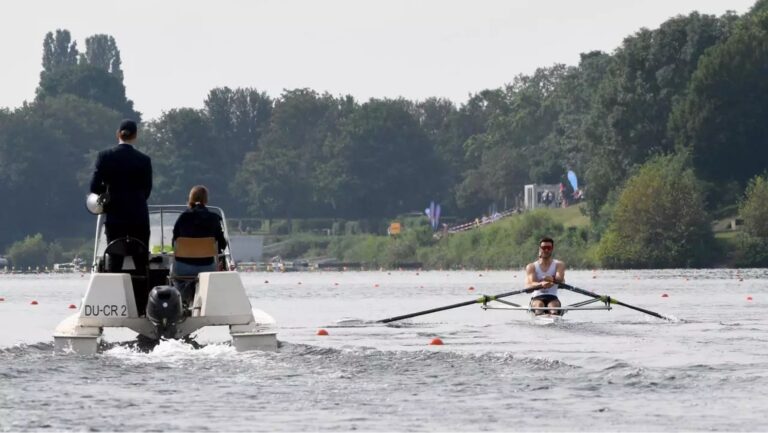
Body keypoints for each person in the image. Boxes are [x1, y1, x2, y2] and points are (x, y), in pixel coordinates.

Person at [89, 119, 153, 272]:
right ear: (135, 136)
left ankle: (113, 292)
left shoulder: (105, 156)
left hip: (115, 217)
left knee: (114, 260)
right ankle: (142, 292)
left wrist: (108, 191)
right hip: (139, 217)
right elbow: (147, 191)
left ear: (118, 134)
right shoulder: (144, 160)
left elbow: (94, 186)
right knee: (141, 261)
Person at [172, 185, 228, 278]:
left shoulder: (182, 217)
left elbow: (174, 244)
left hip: (183, 267)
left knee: (176, 276)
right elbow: (222, 244)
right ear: (206, 200)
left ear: (191, 198)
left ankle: (182, 292)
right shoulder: (214, 218)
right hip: (207, 267)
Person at [525, 237, 566, 315]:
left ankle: (554, 317)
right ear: (540, 249)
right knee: (539, 306)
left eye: (549, 248)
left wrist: (551, 279)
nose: (546, 250)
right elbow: (529, 285)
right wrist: (541, 284)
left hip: (552, 297)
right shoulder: (531, 266)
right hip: (537, 298)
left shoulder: (559, 265)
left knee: (553, 308)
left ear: (552, 249)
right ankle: (539, 316)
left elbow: (560, 279)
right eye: (544, 248)